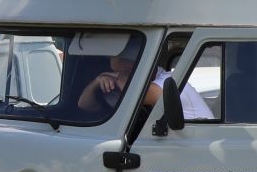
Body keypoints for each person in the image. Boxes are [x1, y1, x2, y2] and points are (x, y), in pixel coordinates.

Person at [77, 42, 214, 120]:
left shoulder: (169, 79)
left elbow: (144, 95)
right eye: (114, 71)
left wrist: (117, 77)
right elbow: (84, 105)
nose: (115, 74)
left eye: (121, 71)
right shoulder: (124, 84)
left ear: (137, 66)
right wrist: (97, 81)